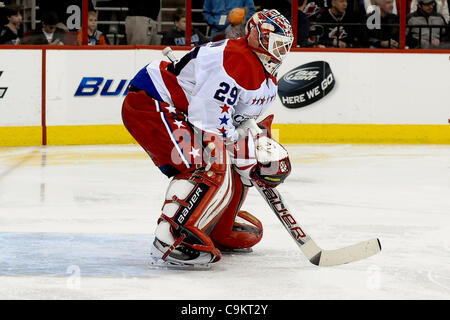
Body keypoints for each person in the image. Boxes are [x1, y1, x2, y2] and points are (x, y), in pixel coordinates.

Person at [121, 9, 294, 268]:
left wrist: (258, 151)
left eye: (285, 46)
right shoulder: (234, 60)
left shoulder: (264, 72)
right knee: (206, 163)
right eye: (276, 44)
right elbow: (210, 119)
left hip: (183, 111)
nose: (280, 52)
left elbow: (241, 120)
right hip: (152, 103)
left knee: (232, 167)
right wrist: (243, 151)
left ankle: (213, 226)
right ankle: (173, 237)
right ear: (258, 37)